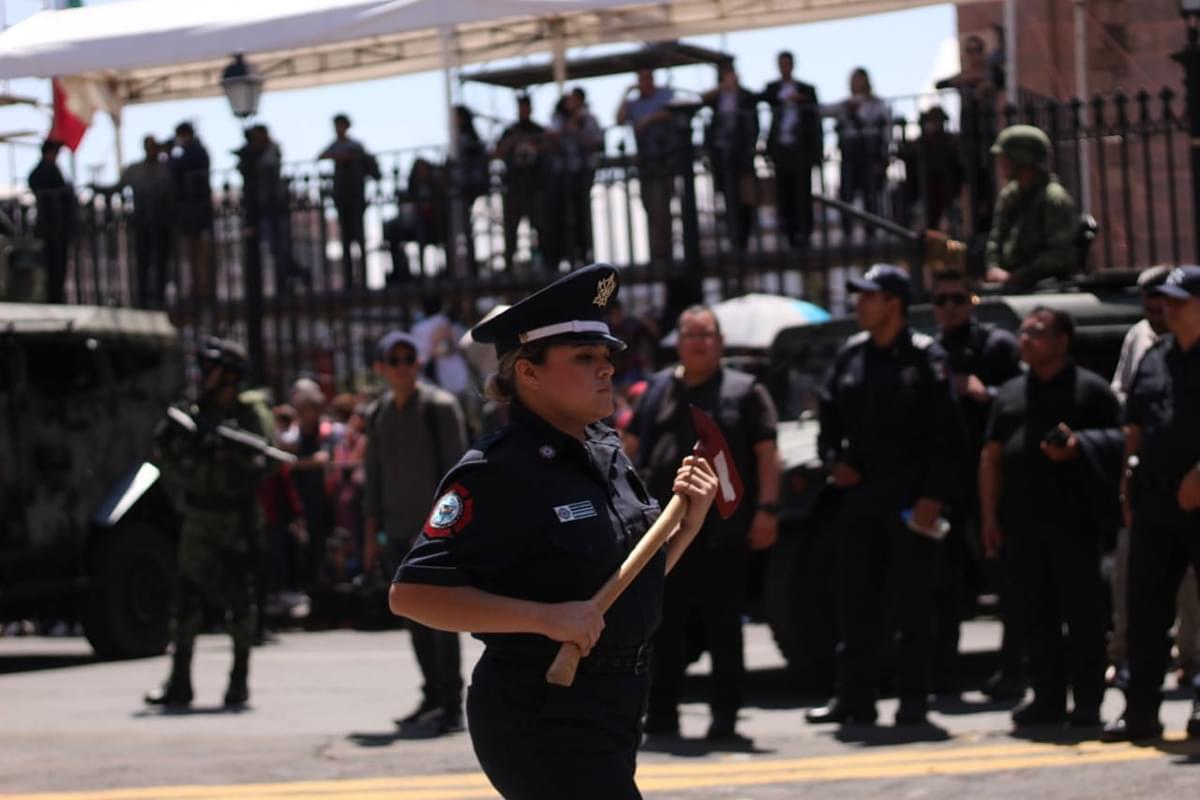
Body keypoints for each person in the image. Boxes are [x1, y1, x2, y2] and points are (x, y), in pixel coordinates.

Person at [388, 263, 719, 799]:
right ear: (529, 372)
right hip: (542, 711)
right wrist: (544, 619)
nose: (606, 369)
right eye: (585, 358)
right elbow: (412, 594)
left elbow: (618, 586)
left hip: (613, 705)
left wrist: (687, 526)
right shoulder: (496, 471)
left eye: (606, 355)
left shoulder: (605, 451)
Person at [807, 264, 966, 726]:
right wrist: (833, 459)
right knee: (854, 599)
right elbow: (829, 416)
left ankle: (914, 699)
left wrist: (933, 496)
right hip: (860, 498)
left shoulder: (925, 357)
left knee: (913, 602)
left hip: (910, 497)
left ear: (893, 304)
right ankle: (853, 697)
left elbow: (946, 435)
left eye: (868, 296)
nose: (858, 304)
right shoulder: (851, 354)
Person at [627, 304, 780, 740]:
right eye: (690, 335)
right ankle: (660, 715)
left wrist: (768, 510)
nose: (698, 342)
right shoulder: (656, 389)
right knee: (663, 624)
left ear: (720, 342)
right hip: (664, 532)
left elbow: (768, 454)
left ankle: (725, 718)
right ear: (678, 341)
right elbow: (631, 444)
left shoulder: (745, 390)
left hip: (723, 532)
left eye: (706, 335)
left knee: (723, 626)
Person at [979, 307, 1121, 728]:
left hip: (1075, 524)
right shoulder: (1009, 394)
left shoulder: (1091, 391)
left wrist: (1080, 447)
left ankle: (1089, 701)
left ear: (1062, 341)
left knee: (1084, 616)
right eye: (1022, 333)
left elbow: (1120, 443)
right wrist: (989, 517)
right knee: (1033, 614)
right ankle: (1047, 698)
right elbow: (991, 458)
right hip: (1022, 524)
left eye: (1036, 333)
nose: (1025, 340)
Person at [145, 337, 274, 709]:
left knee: (238, 602)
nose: (204, 377)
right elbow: (166, 460)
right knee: (185, 599)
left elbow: (267, 462)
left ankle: (238, 681)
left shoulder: (249, 414)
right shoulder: (191, 412)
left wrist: (230, 453)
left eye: (211, 370)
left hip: (236, 518)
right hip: (199, 517)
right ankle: (179, 682)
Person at [1105, 265, 1200, 742]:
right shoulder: (1155, 355)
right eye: (1166, 300)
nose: (1169, 308)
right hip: (1155, 501)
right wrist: (1127, 488)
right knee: (1144, 612)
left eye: (1180, 301)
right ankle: (1140, 709)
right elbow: (1135, 428)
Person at [363, 330, 470, 736]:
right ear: (381, 368)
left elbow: (458, 477)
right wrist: (371, 532)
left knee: (441, 621)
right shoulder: (379, 414)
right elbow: (372, 475)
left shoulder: (438, 407)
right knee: (413, 618)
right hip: (395, 530)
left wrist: (442, 531)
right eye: (396, 360)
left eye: (410, 358)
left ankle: (450, 702)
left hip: (434, 536)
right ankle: (431, 695)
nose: (405, 366)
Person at [930, 269, 1022, 695]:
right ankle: (943, 670)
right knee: (944, 583)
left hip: (991, 479)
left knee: (1004, 577)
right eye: (941, 301)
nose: (949, 308)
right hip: (948, 480)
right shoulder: (931, 351)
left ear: (971, 302)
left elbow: (1023, 392)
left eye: (957, 299)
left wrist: (987, 392)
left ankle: (1014, 668)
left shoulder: (996, 345)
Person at [985, 124, 1077, 290]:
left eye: (1005, 157)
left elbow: (1061, 254)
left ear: (1021, 159)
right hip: (1009, 284)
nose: (1001, 163)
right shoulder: (1010, 196)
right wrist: (994, 267)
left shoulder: (1053, 198)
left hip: (1045, 286)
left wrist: (1022, 275)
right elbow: (996, 238)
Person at [617, 68, 679, 265]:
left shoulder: (665, 94)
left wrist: (649, 120)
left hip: (664, 159)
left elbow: (673, 112)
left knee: (661, 205)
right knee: (649, 206)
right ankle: (656, 251)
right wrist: (625, 94)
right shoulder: (634, 103)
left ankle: (664, 252)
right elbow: (619, 119)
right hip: (645, 161)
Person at [762, 51, 822, 249]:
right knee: (785, 192)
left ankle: (804, 232)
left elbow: (815, 117)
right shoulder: (773, 89)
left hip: (801, 147)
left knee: (802, 192)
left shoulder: (806, 90)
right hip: (781, 149)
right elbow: (763, 97)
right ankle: (789, 234)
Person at [702, 62, 760, 252]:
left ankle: (744, 237)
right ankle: (734, 238)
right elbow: (699, 100)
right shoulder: (717, 98)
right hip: (722, 155)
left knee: (745, 197)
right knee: (728, 198)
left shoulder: (746, 96)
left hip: (742, 155)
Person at [827, 68, 891, 240]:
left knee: (871, 195)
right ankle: (847, 232)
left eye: (859, 79)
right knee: (847, 195)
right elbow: (823, 111)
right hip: (849, 154)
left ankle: (872, 232)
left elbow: (886, 129)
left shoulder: (877, 104)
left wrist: (885, 153)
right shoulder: (845, 105)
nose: (856, 83)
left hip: (870, 154)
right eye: (853, 79)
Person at [319, 114, 380, 289]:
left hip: (355, 195)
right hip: (343, 196)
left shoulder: (355, 146)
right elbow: (322, 155)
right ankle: (349, 280)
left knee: (358, 238)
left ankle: (363, 279)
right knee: (346, 240)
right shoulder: (337, 146)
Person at [545, 87, 603, 267]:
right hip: (563, 175)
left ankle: (584, 251)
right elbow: (551, 139)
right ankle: (565, 253)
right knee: (563, 215)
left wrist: (576, 130)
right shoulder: (559, 118)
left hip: (582, 173)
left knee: (582, 214)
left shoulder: (588, 119)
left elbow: (596, 143)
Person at [117, 135, 175, 308]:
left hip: (161, 222)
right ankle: (143, 297)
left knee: (161, 261)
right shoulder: (135, 170)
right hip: (143, 222)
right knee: (143, 261)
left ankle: (159, 296)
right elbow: (119, 187)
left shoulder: (165, 168)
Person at [493, 94, 548, 268]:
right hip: (514, 187)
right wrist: (511, 144)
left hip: (535, 186)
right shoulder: (510, 132)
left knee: (539, 227)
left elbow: (549, 148)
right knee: (511, 230)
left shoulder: (538, 130)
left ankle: (543, 263)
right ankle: (509, 266)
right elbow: (498, 152)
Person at [168, 122, 215, 300]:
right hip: (192, 206)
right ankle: (199, 285)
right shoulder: (196, 151)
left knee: (199, 248)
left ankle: (202, 286)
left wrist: (171, 154)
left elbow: (176, 168)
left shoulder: (195, 152)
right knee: (193, 248)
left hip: (195, 205)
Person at [899, 107, 963, 231]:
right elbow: (907, 155)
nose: (934, 125)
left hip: (947, 187)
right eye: (932, 121)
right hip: (928, 189)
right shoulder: (921, 143)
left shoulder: (949, 140)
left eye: (937, 121)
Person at [27, 138, 73, 304]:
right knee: (55, 265)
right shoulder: (49, 170)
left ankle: (54, 295)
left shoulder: (44, 170)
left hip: (50, 226)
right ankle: (55, 297)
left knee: (52, 264)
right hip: (54, 226)